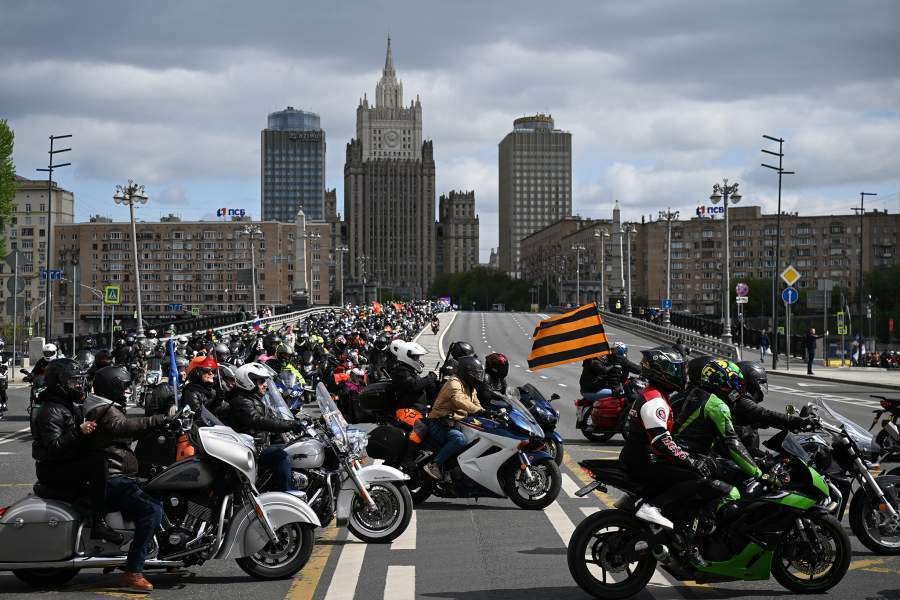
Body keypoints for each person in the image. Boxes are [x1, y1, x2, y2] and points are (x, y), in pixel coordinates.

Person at [619, 348, 715, 566]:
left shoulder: (653, 394)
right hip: (643, 461)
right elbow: (661, 441)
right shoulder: (655, 400)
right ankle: (652, 507)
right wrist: (689, 460)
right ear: (664, 372)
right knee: (697, 478)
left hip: (638, 456)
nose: (682, 375)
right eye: (678, 370)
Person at [87, 365, 167, 592]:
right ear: (112, 386)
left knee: (162, 489)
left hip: (118, 473)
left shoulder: (105, 406)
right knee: (151, 510)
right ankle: (133, 570)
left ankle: (165, 554)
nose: (127, 390)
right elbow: (122, 427)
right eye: (123, 386)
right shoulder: (101, 409)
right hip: (113, 477)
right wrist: (158, 420)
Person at [31, 359, 121, 544]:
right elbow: (54, 448)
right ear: (59, 383)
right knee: (98, 462)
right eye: (73, 381)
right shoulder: (51, 411)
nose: (78, 385)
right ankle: (98, 522)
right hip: (54, 470)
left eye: (79, 381)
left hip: (64, 463)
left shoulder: (67, 405)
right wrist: (78, 431)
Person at [229, 362, 303, 492]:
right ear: (249, 382)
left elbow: (272, 418)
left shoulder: (254, 399)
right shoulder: (240, 401)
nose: (265, 384)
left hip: (261, 445)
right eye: (261, 381)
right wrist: (289, 426)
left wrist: (296, 421)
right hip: (252, 450)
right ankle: (287, 494)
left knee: (298, 449)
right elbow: (257, 420)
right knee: (280, 456)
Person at [424, 355, 484, 480]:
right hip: (439, 423)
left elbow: (476, 403)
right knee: (459, 439)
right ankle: (434, 464)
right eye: (475, 374)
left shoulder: (470, 387)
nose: (478, 377)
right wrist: (477, 410)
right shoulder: (454, 382)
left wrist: (487, 412)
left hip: (454, 423)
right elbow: (458, 399)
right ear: (466, 373)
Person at [734, 361, 812, 455]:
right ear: (749, 383)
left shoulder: (736, 399)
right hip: (740, 455)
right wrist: (797, 422)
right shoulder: (740, 400)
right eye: (759, 383)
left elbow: (763, 420)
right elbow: (765, 415)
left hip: (743, 451)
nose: (760, 388)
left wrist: (788, 424)